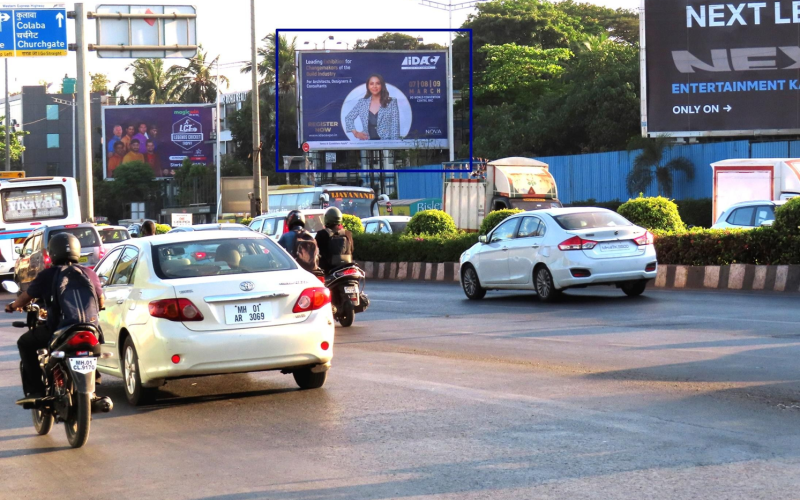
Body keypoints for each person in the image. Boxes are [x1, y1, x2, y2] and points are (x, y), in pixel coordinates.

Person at [6, 233, 104, 401]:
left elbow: (27, 296)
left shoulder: (48, 274)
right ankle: (93, 380)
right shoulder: (90, 273)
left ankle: (35, 391)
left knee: (25, 343)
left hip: (61, 328)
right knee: (91, 350)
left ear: (52, 253)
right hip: (91, 329)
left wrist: (13, 306)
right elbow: (101, 302)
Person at [345, 74, 401, 141]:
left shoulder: (391, 102)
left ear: (382, 86)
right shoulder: (362, 103)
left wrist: (394, 146)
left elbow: (395, 126)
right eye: (371, 84)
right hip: (367, 144)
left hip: (386, 144)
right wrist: (356, 133)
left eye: (377, 83)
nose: (374, 86)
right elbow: (348, 118)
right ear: (368, 86)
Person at [315, 207, 354, 274]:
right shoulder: (348, 234)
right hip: (346, 270)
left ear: (326, 219)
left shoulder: (321, 234)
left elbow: (315, 252)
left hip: (327, 271)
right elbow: (352, 249)